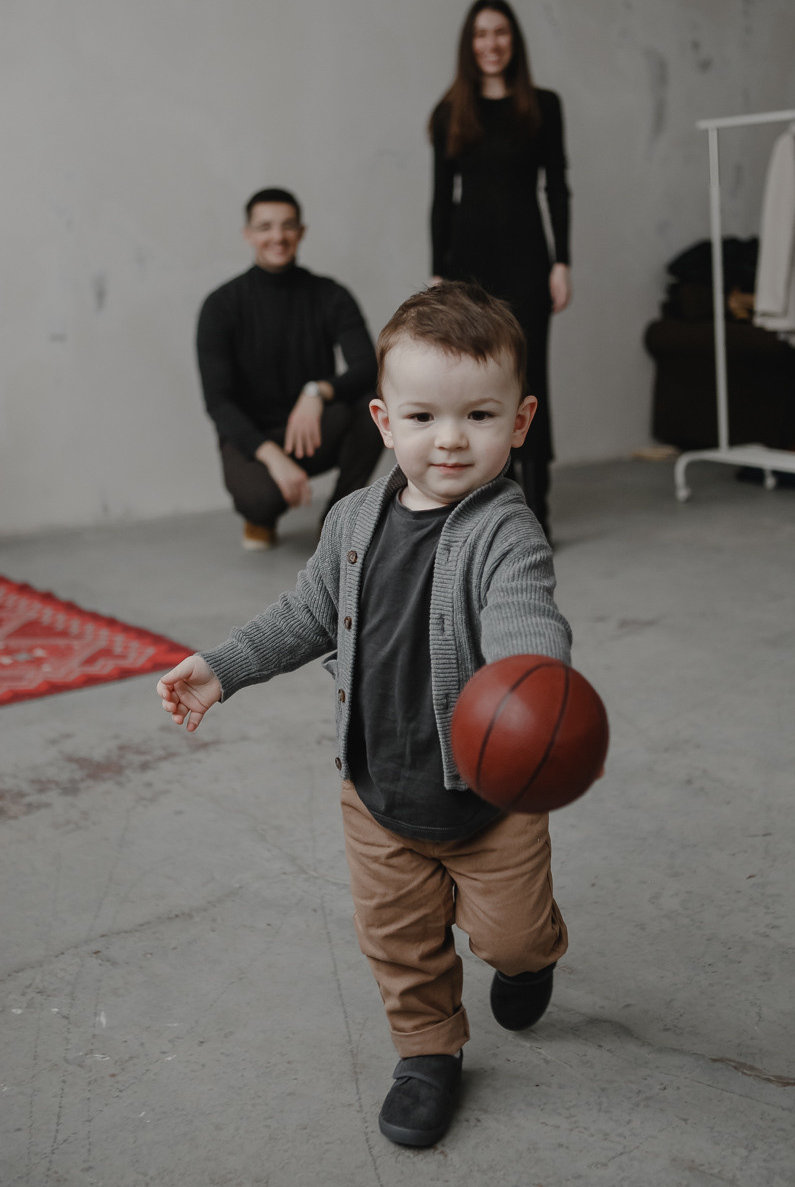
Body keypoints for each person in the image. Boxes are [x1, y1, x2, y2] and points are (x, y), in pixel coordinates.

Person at [158, 282, 572, 1148]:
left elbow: (523, 612)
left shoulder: (507, 531)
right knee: (398, 939)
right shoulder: (352, 520)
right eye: (423, 416)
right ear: (383, 421)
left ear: (520, 420)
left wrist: (529, 680)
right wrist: (224, 667)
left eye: (479, 415)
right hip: (377, 790)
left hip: (489, 804)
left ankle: (529, 960)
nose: (450, 439)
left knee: (512, 934)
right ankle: (427, 1052)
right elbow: (304, 616)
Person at [429, 0, 572, 538]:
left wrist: (563, 261)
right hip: (468, 265)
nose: (492, 44)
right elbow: (441, 198)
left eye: (501, 33)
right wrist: (439, 272)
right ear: (470, 45)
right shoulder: (451, 112)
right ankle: (482, 504)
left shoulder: (542, 105)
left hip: (528, 259)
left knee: (530, 379)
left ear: (514, 41)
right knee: (473, 380)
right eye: (481, 35)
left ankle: (537, 508)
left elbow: (556, 186)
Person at [196, 188, 383, 550]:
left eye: (287, 226)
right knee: (259, 498)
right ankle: (259, 519)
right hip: (253, 438)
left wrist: (318, 392)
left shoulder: (330, 295)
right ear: (248, 234)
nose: (277, 237)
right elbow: (218, 402)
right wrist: (273, 457)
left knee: (376, 404)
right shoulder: (221, 305)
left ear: (302, 231)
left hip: (313, 429)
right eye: (265, 227)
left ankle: (337, 523)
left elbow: (367, 366)